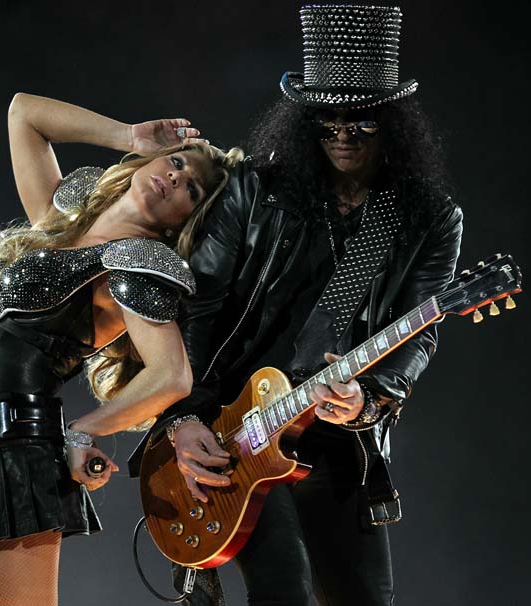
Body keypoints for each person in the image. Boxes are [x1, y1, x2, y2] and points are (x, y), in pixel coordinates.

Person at [128, 5, 463, 605]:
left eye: (361, 121)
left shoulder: (428, 217)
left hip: (336, 433)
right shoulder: (255, 190)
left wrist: (369, 399)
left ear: (393, 124)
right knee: (282, 591)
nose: (342, 134)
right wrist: (182, 418)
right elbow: (197, 308)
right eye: (326, 120)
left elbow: (418, 331)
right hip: (236, 424)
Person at [0, 92, 244, 606]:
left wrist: (83, 430)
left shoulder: (137, 262)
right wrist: (127, 135)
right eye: (176, 163)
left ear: (187, 219)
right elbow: (23, 113)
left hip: (18, 454)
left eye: (193, 189)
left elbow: (172, 375)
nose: (176, 178)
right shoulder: (61, 216)